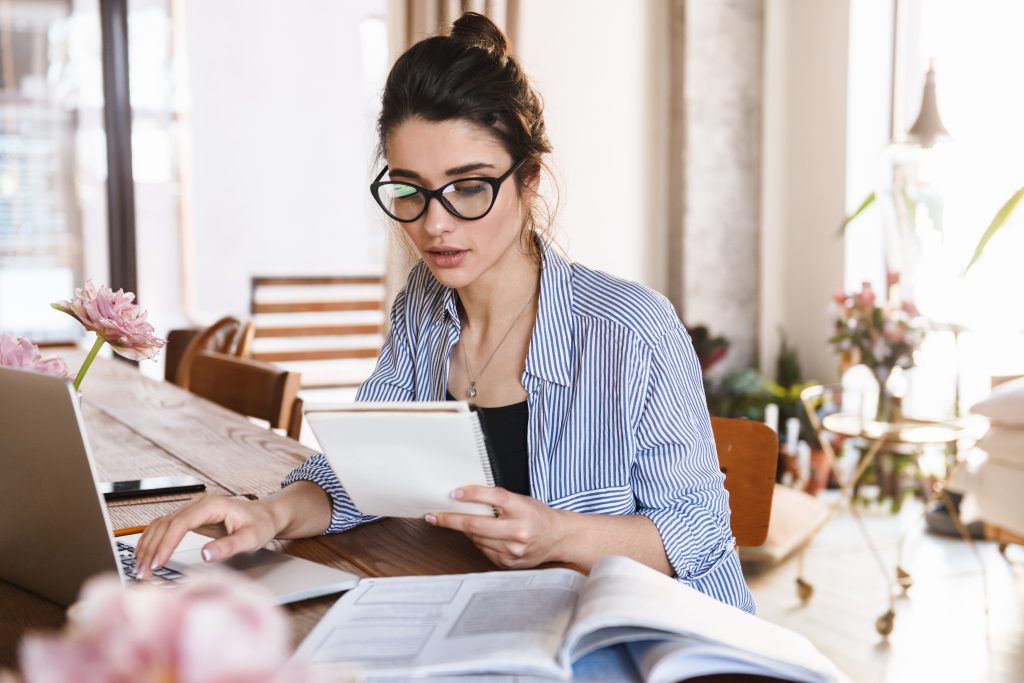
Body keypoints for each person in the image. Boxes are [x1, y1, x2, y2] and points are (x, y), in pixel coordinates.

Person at [135, 12, 754, 614]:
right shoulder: (424, 310)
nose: (434, 223)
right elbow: (363, 472)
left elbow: (699, 532)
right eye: (410, 189)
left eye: (468, 187)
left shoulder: (630, 328)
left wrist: (558, 535)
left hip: (651, 640)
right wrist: (268, 514)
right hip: (503, 625)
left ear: (529, 179)